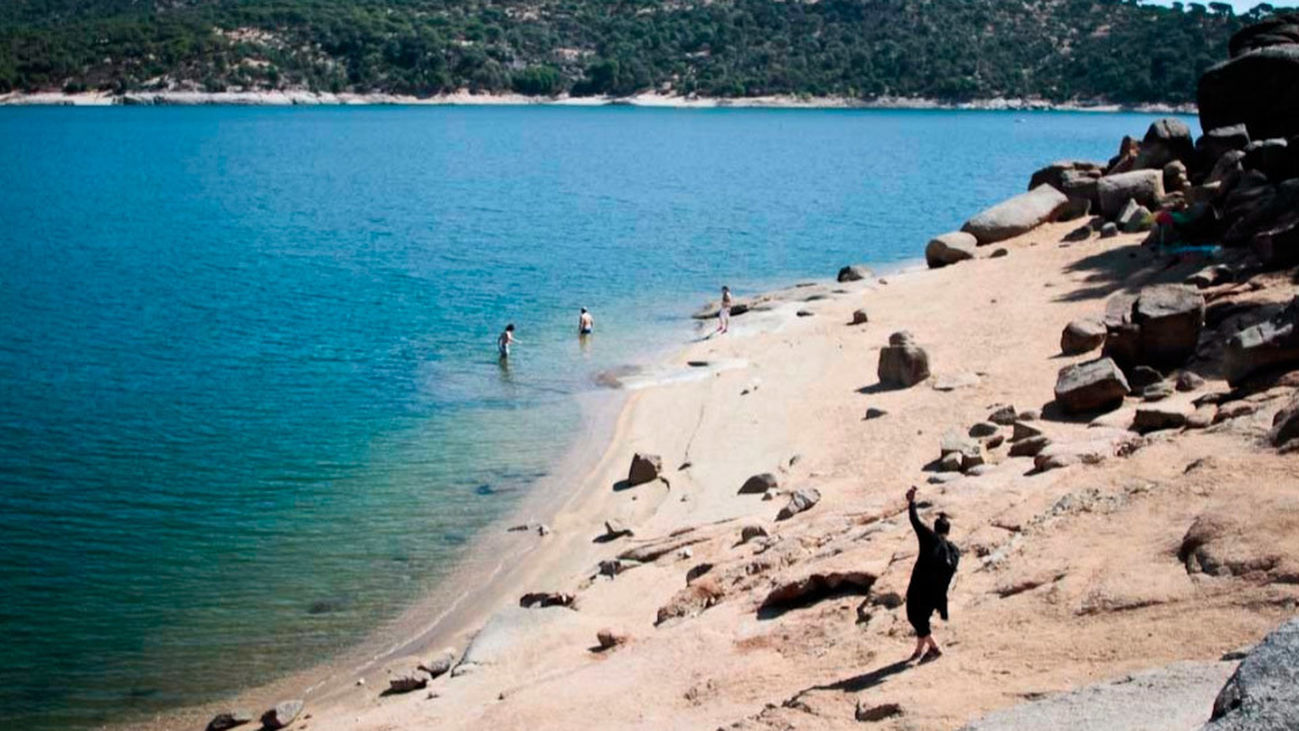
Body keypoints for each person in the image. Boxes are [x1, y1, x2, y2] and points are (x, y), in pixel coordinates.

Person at [904, 485, 959, 663]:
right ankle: (919, 650)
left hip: (920, 587)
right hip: (937, 594)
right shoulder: (953, 550)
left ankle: (935, 648)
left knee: (914, 616)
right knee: (922, 619)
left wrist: (912, 502)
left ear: (935, 529)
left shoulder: (929, 538)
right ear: (948, 532)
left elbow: (915, 521)